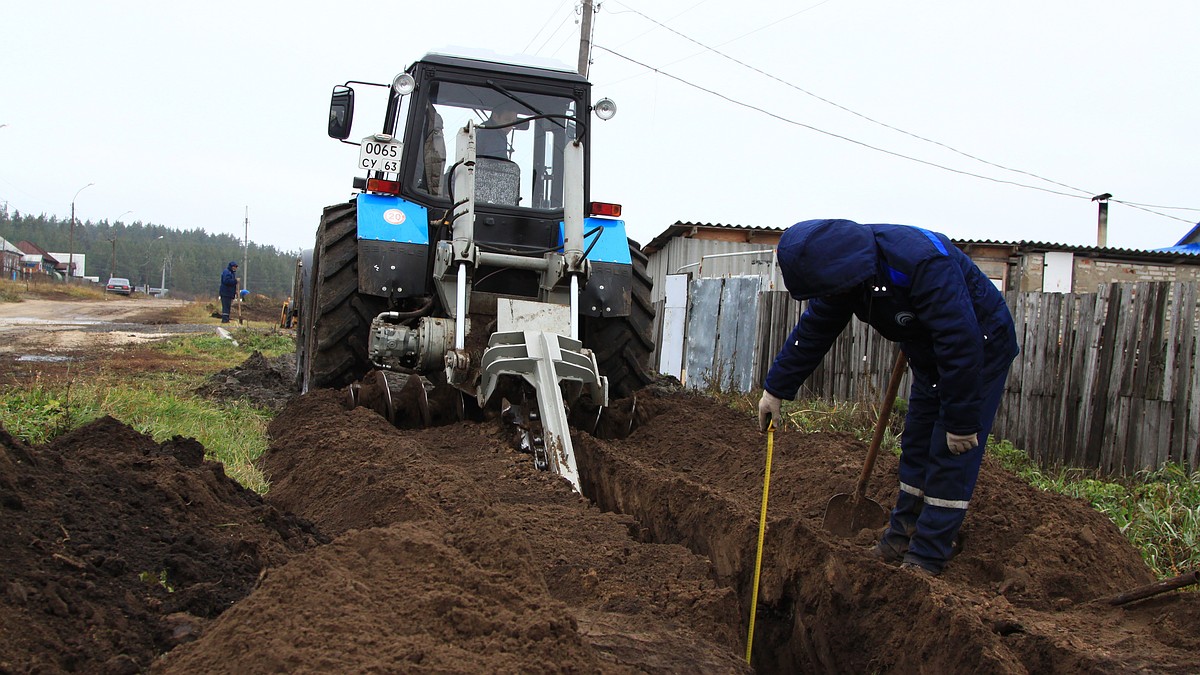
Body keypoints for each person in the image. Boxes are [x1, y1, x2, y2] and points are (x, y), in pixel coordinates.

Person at [757, 219, 1019, 576]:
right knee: (916, 442)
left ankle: (927, 555)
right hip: (927, 351)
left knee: (948, 451)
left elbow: (960, 341)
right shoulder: (846, 273)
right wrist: (776, 388)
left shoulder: (923, 262)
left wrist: (961, 421)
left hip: (978, 349)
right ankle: (901, 535)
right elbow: (816, 328)